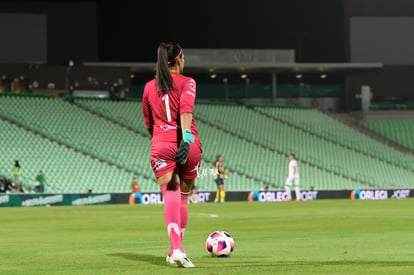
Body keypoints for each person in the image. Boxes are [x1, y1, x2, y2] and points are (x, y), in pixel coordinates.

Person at [142, 42, 202, 268]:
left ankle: (175, 248)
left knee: (171, 197)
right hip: (188, 145)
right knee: (183, 198)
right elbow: (186, 109)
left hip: (161, 145)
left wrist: (161, 140)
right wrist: (185, 139)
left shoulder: (149, 87)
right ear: (179, 60)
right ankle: (177, 248)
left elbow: (149, 123)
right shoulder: (188, 82)